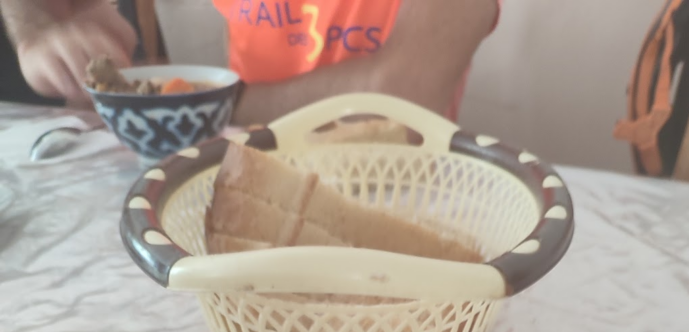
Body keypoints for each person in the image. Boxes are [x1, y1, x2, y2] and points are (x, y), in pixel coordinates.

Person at [0, 0, 499, 123]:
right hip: (244, 179)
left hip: (402, 194)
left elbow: (401, 95)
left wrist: (194, 104)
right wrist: (40, 28)